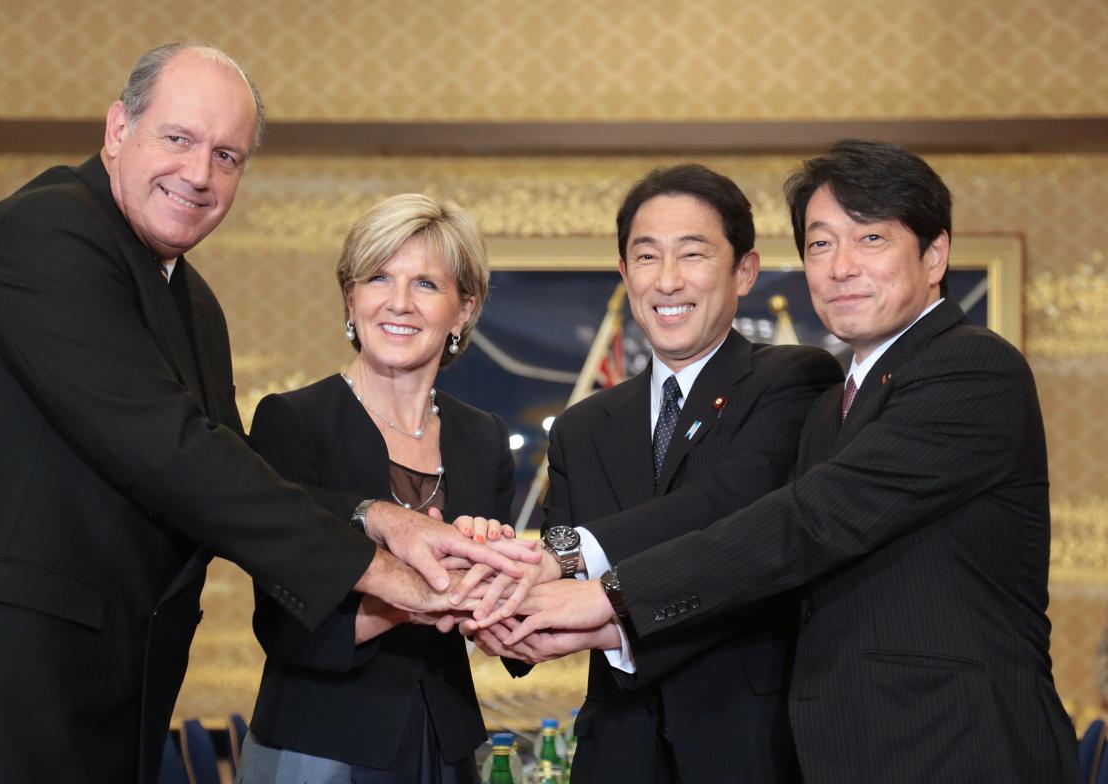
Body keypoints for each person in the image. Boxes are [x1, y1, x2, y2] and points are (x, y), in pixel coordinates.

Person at [0, 43, 532, 784]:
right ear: (118, 129)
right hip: (7, 684)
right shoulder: (47, 236)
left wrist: (385, 517)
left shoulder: (195, 303)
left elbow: (230, 466)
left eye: (227, 156)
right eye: (178, 139)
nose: (199, 174)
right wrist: (393, 576)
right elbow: (175, 455)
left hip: (113, 692)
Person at [472, 140, 1083, 783]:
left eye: (869, 238)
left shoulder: (968, 367)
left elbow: (802, 520)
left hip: (957, 747)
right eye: (820, 245)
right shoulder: (837, 408)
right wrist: (516, 581)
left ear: (935, 254)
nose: (841, 267)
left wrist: (602, 593)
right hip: (838, 751)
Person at [472, 164, 841, 783]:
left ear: (744, 271)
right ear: (624, 274)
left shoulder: (794, 381)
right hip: (616, 752)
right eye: (646, 257)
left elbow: (726, 507)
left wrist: (566, 561)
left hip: (751, 749)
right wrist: (498, 607)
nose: (667, 281)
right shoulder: (582, 427)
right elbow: (553, 578)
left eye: (692, 254)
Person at [234, 193, 515, 783]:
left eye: (426, 285)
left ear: (464, 310)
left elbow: (501, 639)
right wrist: (425, 593)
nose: (399, 302)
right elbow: (285, 628)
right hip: (319, 740)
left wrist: (498, 575)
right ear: (350, 298)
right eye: (378, 277)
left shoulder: (483, 437)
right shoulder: (293, 421)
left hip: (446, 746)